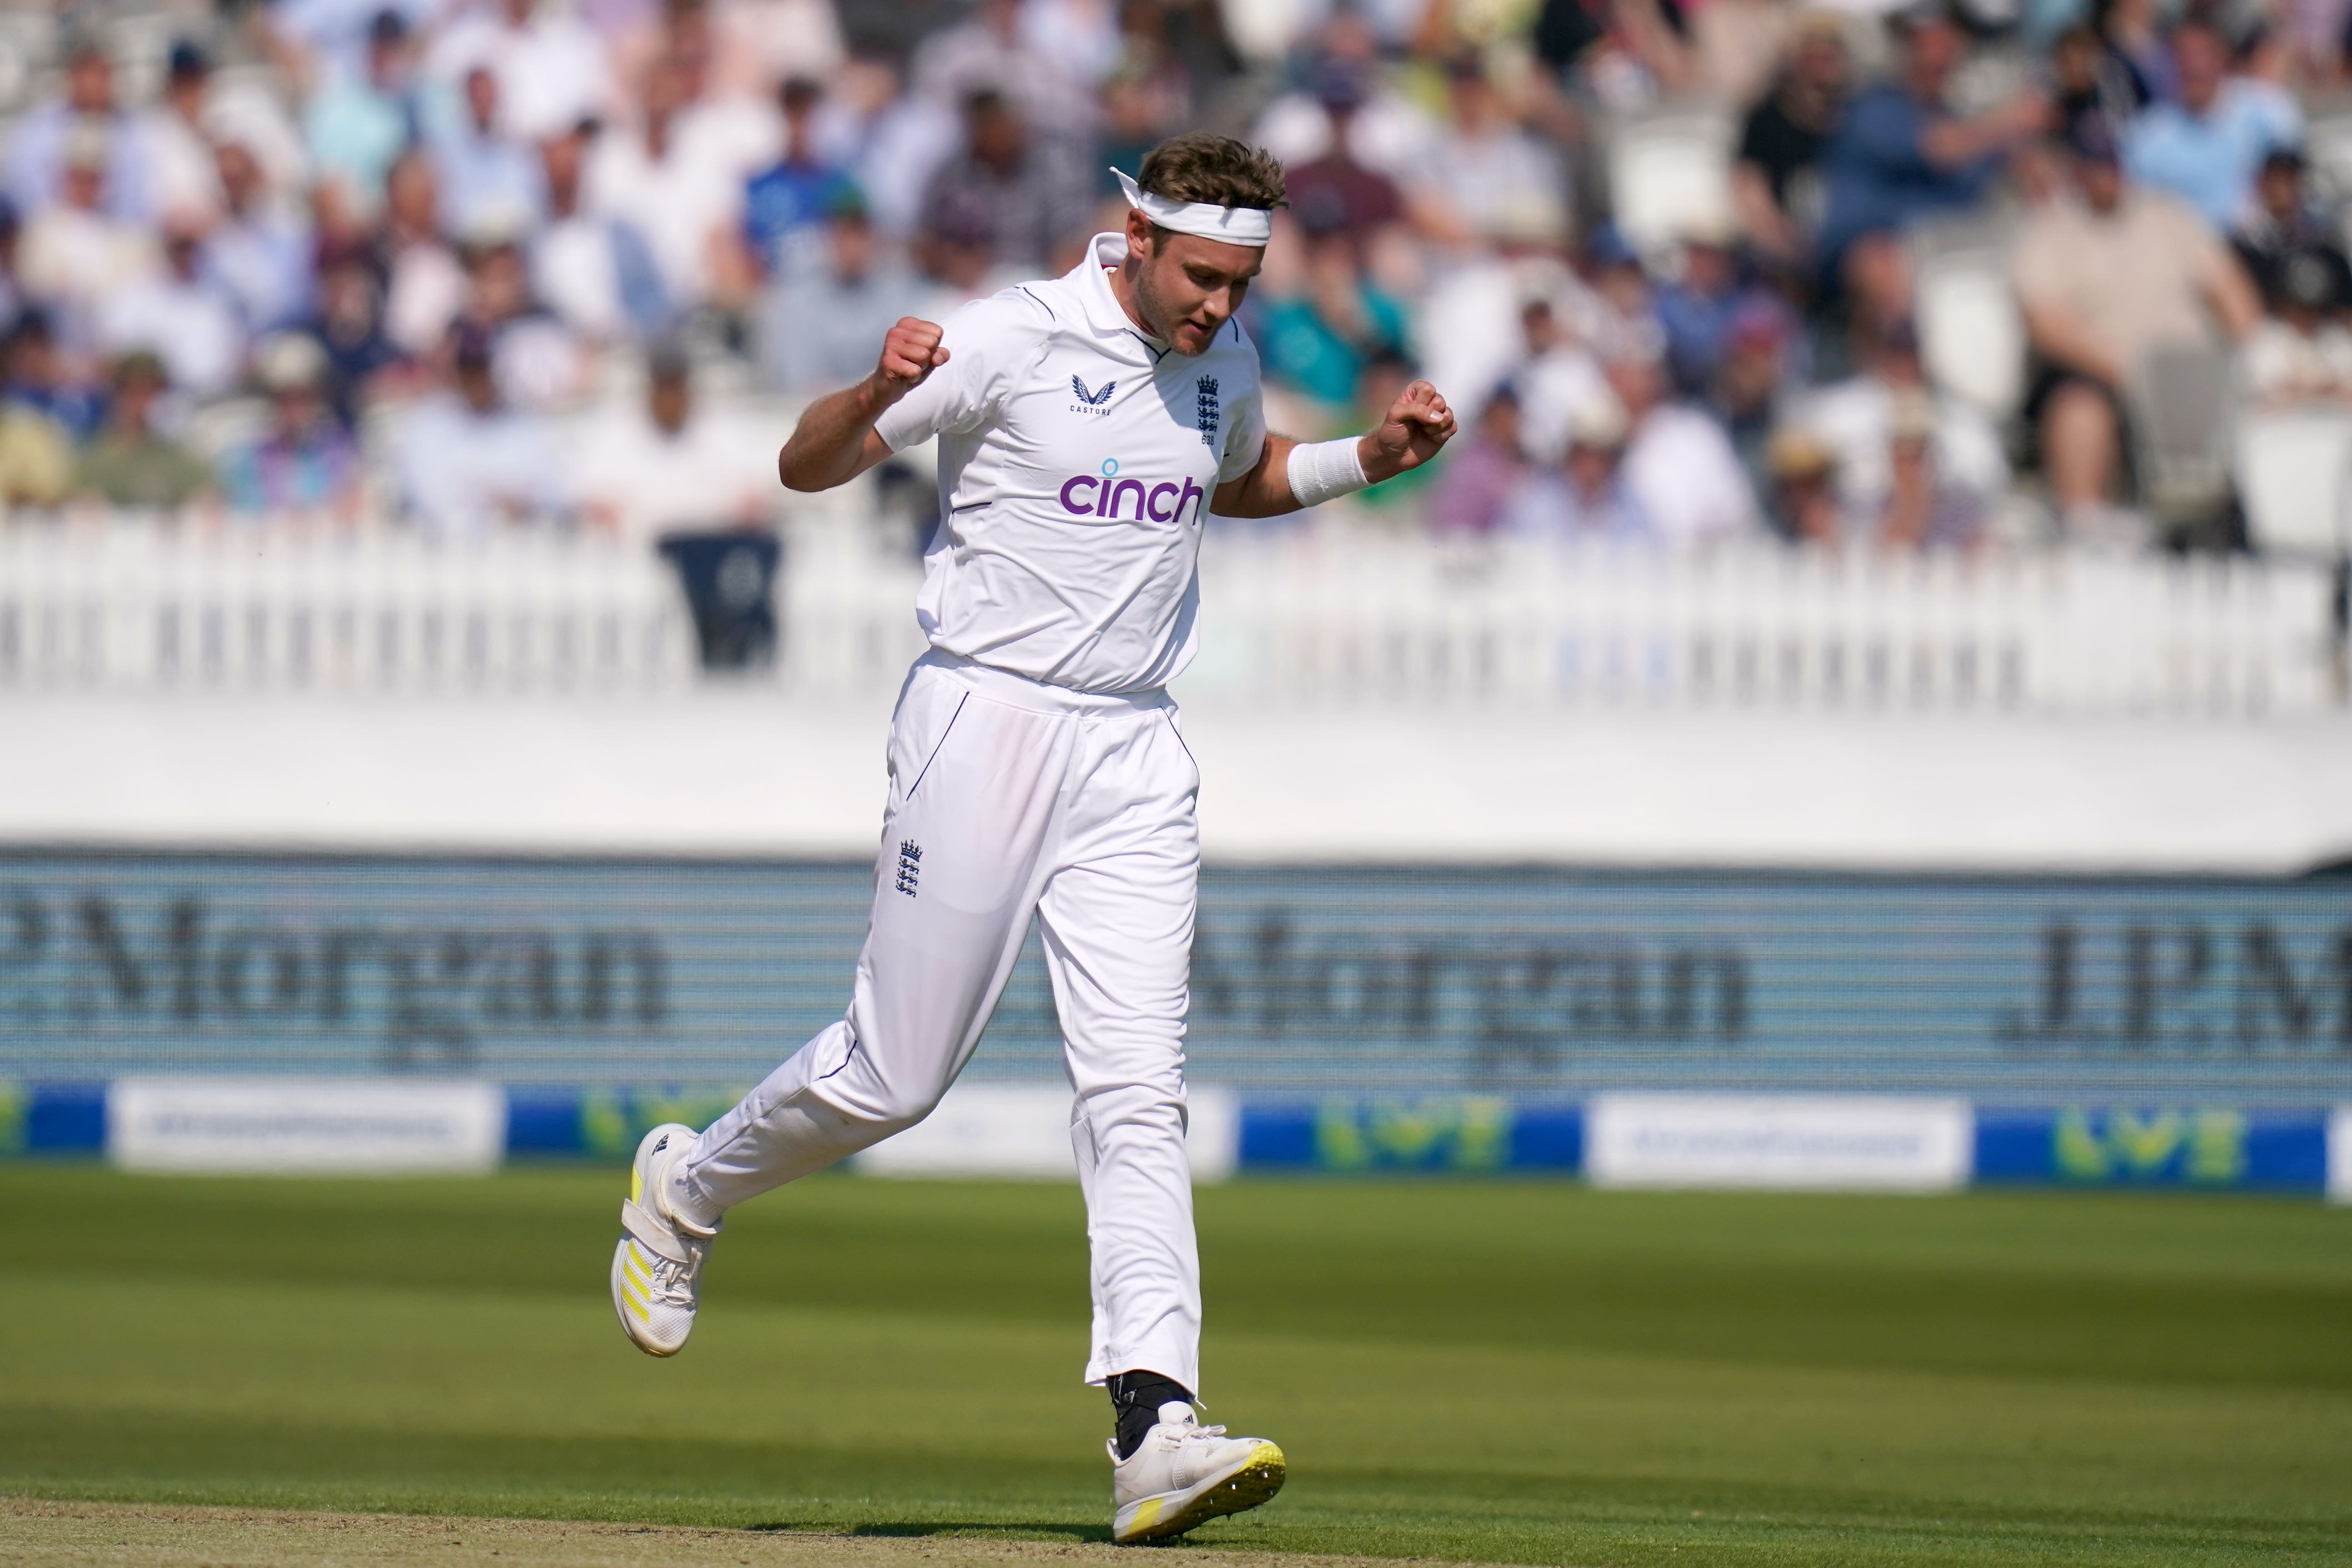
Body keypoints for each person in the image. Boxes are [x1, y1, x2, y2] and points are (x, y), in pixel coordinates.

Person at [606, 131, 1455, 1547]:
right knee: (894, 1078)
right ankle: (684, 1189)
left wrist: (1369, 457)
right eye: (1199, 275)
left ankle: (1155, 1425)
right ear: (1131, 233)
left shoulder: (1222, 358)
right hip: (984, 717)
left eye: (1241, 281)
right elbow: (807, 465)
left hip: (1133, 744)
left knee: (1136, 1090)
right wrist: (878, 389)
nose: (1217, 306)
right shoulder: (1010, 333)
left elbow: (1225, 481)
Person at [2012, 121, 2259, 523]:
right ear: (2076, 171)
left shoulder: (2168, 216)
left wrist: (2251, 353)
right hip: (2105, 373)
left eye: (2109, 165)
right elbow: (2042, 321)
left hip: (2193, 370)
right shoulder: (2052, 231)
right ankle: (2084, 523)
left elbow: (2229, 290)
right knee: (2078, 408)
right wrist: (2122, 368)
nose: (2104, 176)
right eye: (2092, 166)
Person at [1813, 0, 2047, 281]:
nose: (1942, 54)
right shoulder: (1872, 108)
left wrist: (2031, 167)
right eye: (1930, 42)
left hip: (1954, 252)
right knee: (1878, 262)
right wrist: (2009, 120)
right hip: (1877, 247)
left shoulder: (1960, 121)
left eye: (1950, 41)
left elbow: (2008, 164)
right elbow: (1938, 149)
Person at [2122, 21, 2300, 234]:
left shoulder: (2269, 110)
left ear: (2222, 57)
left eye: (2202, 55)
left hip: (2264, 241)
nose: (2193, 67)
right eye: (2183, 57)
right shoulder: (2146, 137)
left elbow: (2294, 187)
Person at [75, 350, 213, 509]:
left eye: (153, 391)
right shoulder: (98, 458)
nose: (144, 401)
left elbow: (205, 495)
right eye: (135, 391)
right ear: (119, 394)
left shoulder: (179, 457)